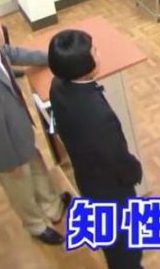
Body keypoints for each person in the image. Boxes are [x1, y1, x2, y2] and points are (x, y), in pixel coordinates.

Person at [0, 0, 69, 245]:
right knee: (20, 187)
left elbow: (17, 53)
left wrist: (52, 58)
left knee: (38, 168)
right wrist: (10, 163)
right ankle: (36, 225)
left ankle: (52, 207)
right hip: (5, 148)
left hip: (19, 131)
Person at [48, 30, 143, 269]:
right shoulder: (96, 115)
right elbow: (116, 157)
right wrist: (134, 171)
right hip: (111, 189)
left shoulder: (58, 85)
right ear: (83, 66)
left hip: (88, 178)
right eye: (94, 51)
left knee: (112, 241)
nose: (98, 54)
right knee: (125, 245)